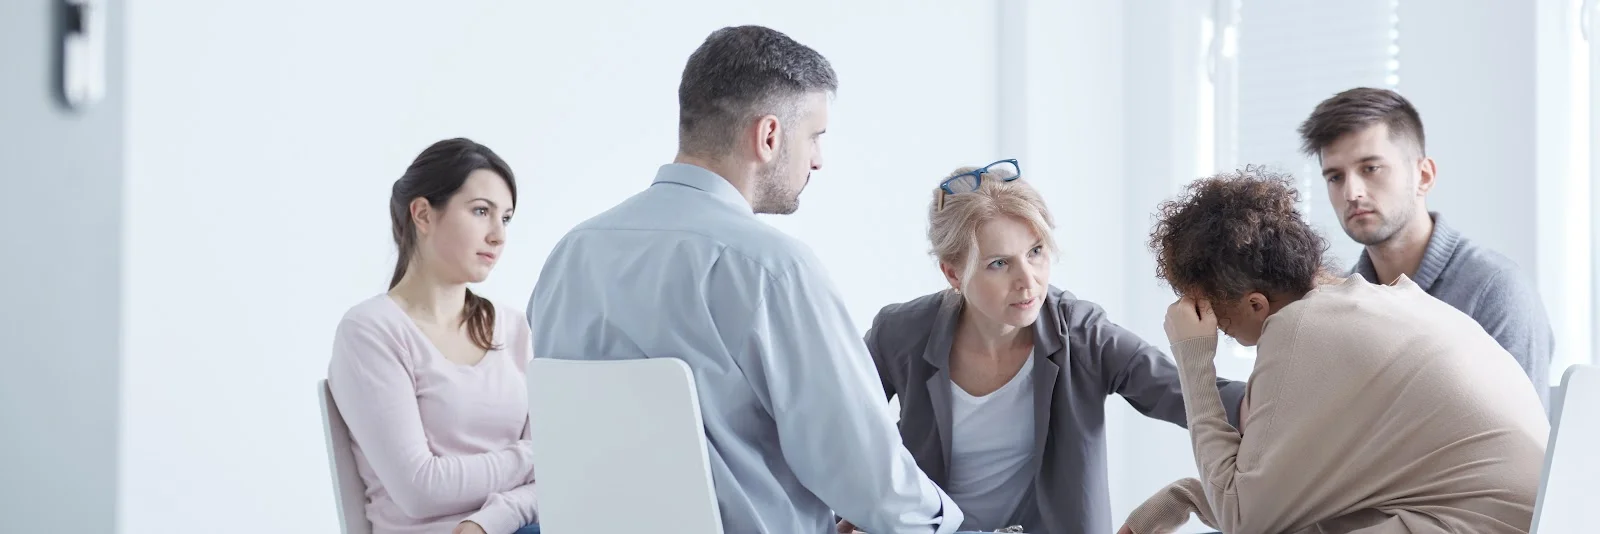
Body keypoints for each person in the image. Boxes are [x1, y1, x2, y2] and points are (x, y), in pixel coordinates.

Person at [526, 26, 964, 534]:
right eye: (815, 136)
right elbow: (871, 479)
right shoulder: (771, 270)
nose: (818, 159)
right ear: (769, 136)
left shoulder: (571, 255)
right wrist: (949, 523)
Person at [1119, 168, 1548, 534]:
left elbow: (1245, 521)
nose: (1211, 325)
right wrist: (1182, 497)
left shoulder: (1300, 331)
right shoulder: (1377, 305)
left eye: (1210, 311)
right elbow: (1289, 502)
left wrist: (1193, 357)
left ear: (1255, 304)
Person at [838, 161, 1245, 534]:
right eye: (999, 263)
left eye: (1035, 252)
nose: (1028, 280)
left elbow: (1187, 395)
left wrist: (1280, 390)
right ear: (953, 274)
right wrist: (850, 508)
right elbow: (835, 426)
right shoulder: (901, 333)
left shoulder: (1082, 334)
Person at [328, 138, 541, 534]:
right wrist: (536, 456)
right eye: (481, 211)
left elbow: (557, 478)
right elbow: (420, 490)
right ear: (423, 214)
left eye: (506, 218)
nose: (498, 235)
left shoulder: (514, 329)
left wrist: (491, 519)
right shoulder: (371, 331)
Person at [1298, 87, 1553, 408]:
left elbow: (1524, 436)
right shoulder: (1340, 301)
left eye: (1370, 168)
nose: (1352, 192)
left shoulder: (1496, 290)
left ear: (1423, 175)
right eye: (1335, 177)